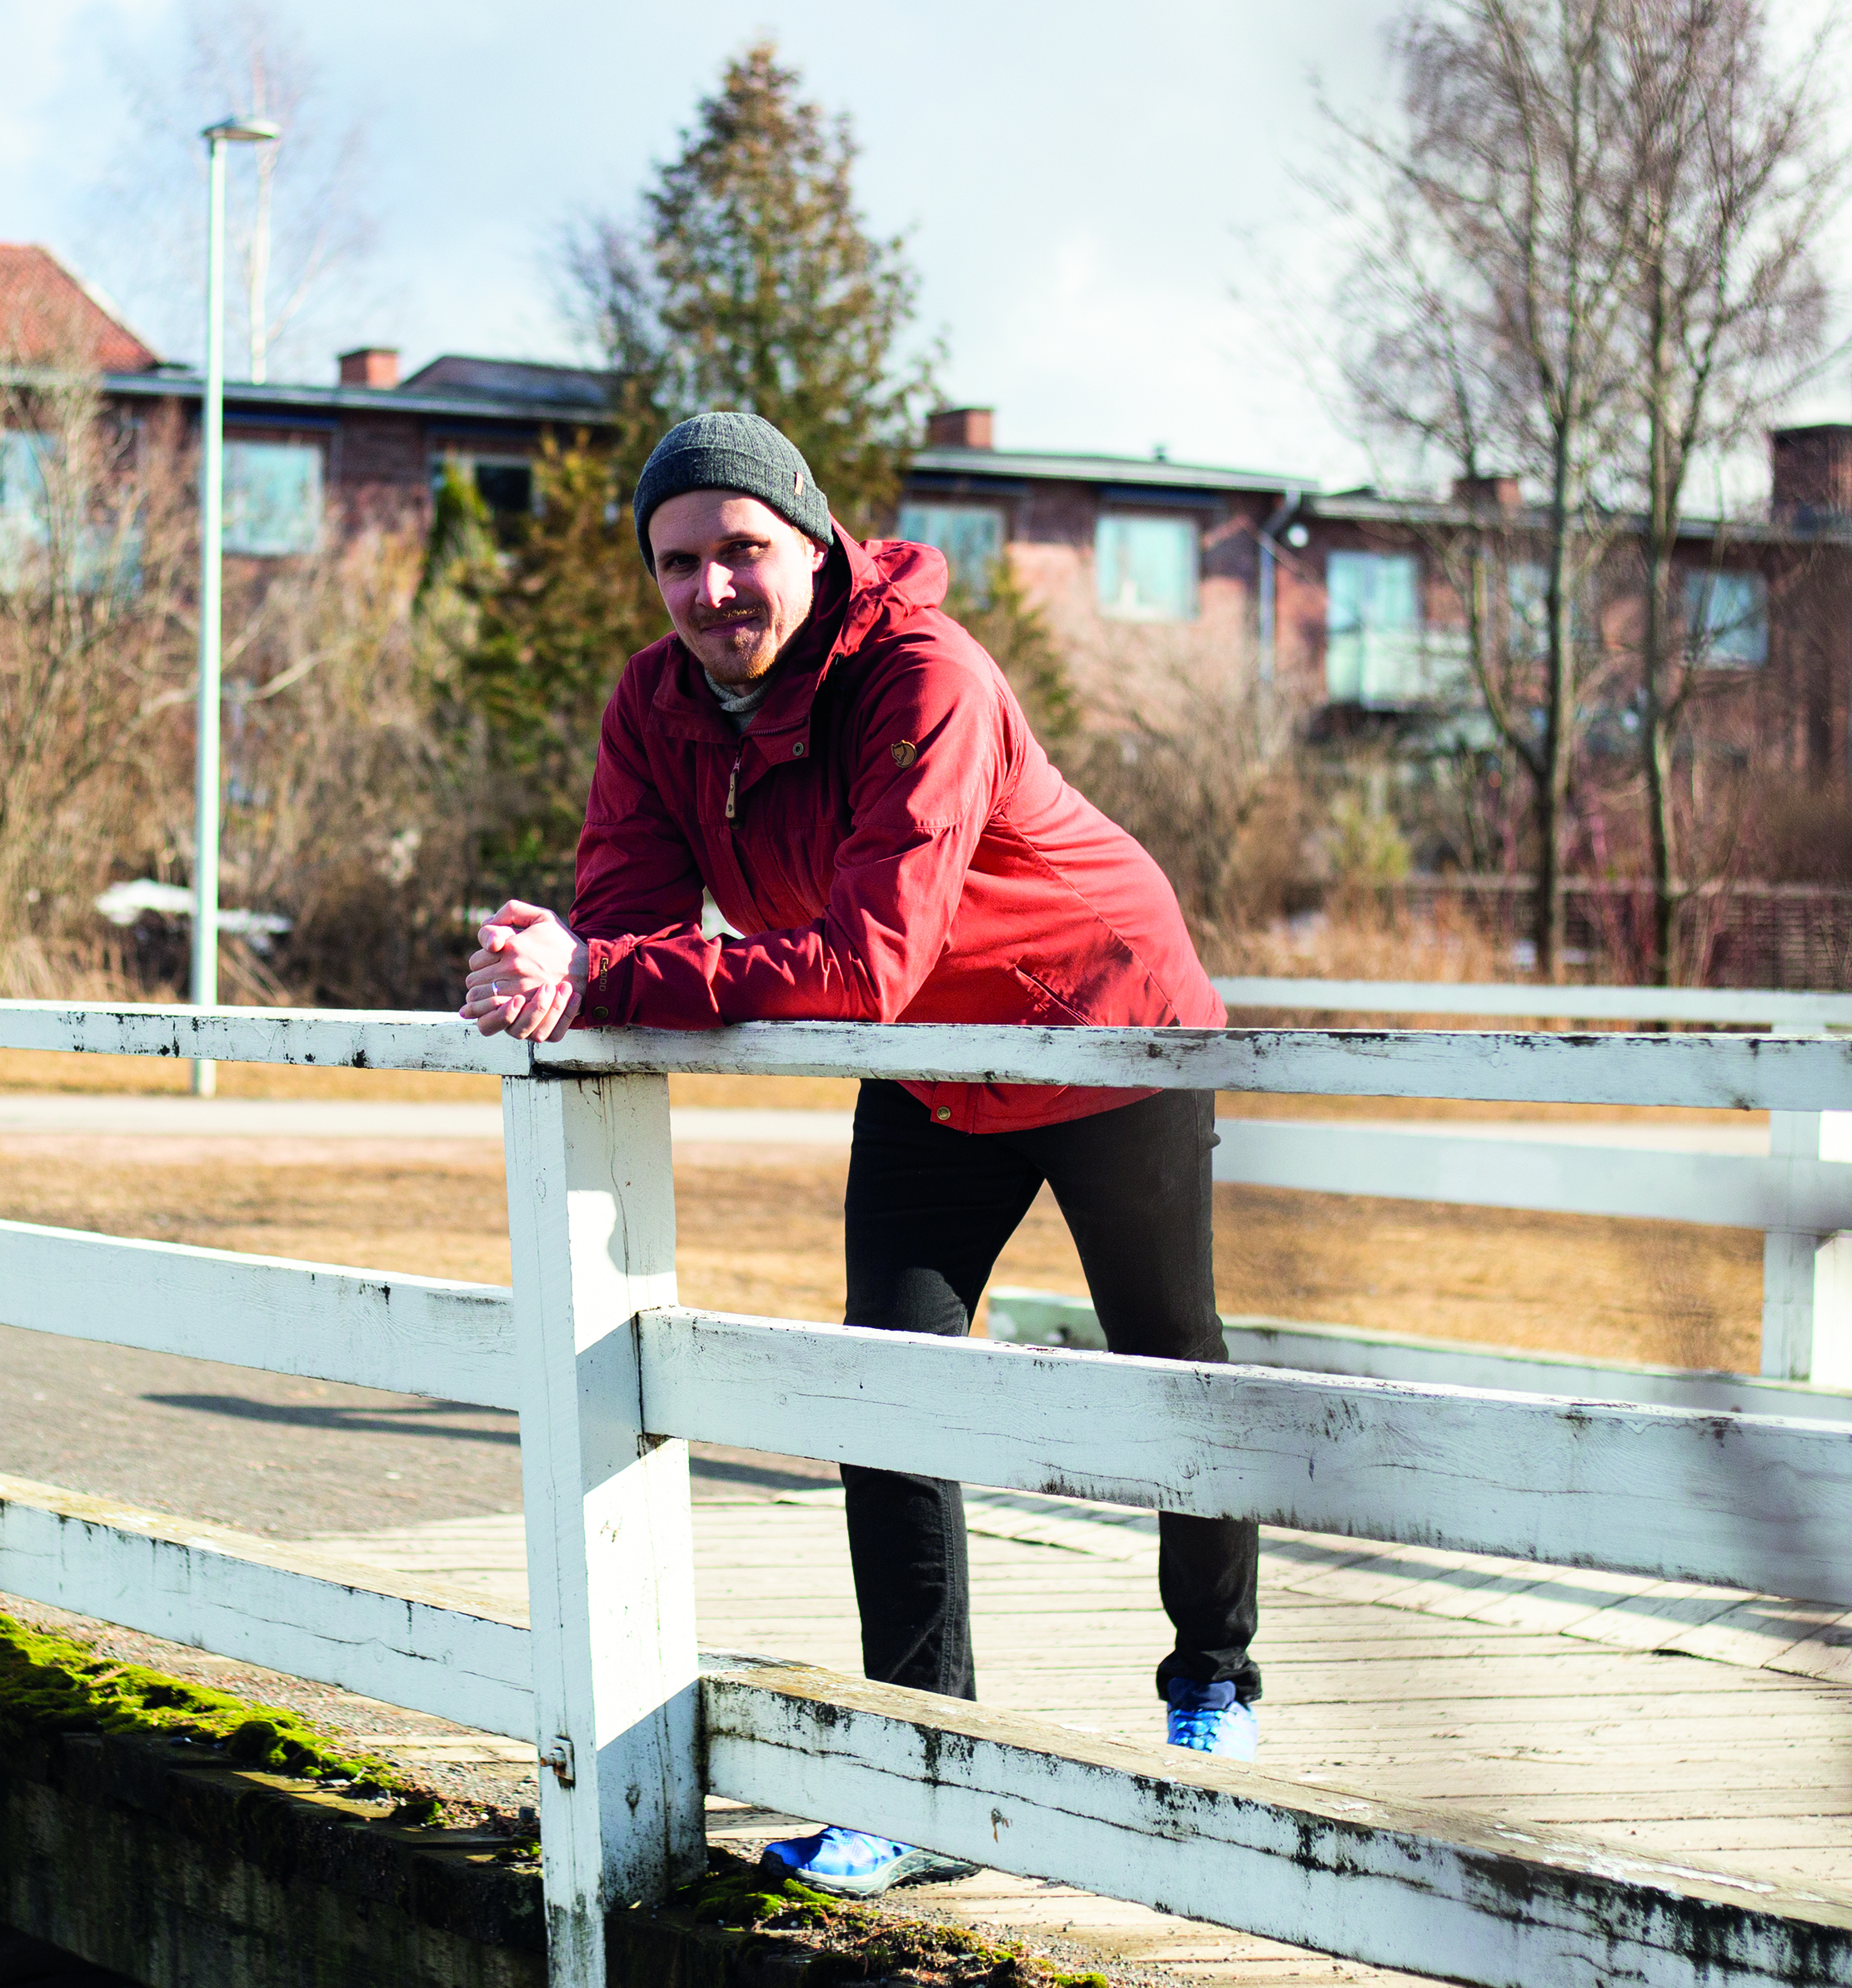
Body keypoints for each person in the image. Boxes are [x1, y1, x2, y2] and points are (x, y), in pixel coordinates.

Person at [459, 410, 1258, 1900]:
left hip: (1100, 1022)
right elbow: (629, 918)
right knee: (883, 1385)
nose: (712, 592)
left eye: (742, 551)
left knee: (1169, 1369)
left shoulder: (927, 678)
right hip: (928, 1068)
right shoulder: (656, 706)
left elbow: (861, 962)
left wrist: (604, 967)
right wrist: (556, 960)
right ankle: (920, 1771)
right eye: (678, 563)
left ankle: (1211, 1689)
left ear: (814, 546)